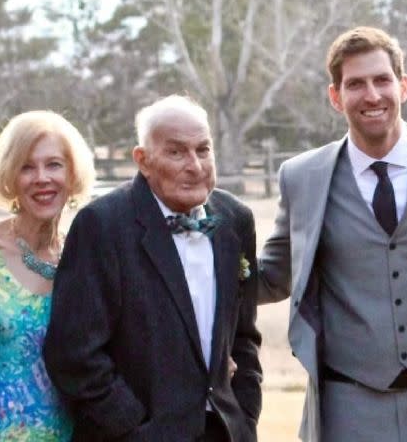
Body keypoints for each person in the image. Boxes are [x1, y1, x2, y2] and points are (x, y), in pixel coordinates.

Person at [258, 26, 407, 441]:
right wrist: (193, 260)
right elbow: (274, 275)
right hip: (349, 407)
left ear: (403, 85)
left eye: (382, 80)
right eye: (355, 84)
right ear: (335, 96)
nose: (372, 95)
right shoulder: (302, 176)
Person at [43, 95, 262, 442]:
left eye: (203, 150)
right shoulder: (101, 225)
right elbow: (73, 354)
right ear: (143, 160)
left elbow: (244, 338)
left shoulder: (236, 220)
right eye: (176, 152)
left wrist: (245, 413)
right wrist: (133, 426)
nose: (195, 165)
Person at [0, 110, 95, 440]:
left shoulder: (89, 257)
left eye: (54, 165)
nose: (42, 178)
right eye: (27, 167)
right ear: (9, 176)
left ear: (72, 174)